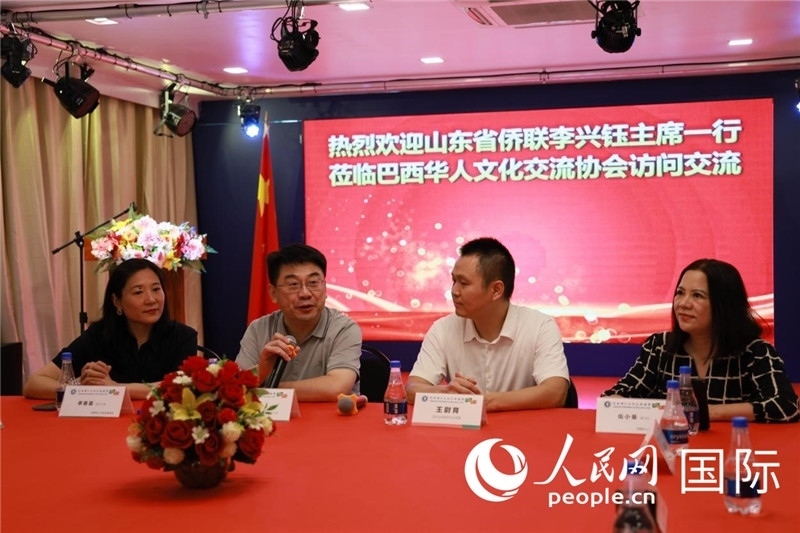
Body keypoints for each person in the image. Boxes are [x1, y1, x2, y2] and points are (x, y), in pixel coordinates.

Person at [602, 258, 799, 423]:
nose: (683, 304)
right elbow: (613, 398)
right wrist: (620, 404)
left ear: (724, 305)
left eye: (697, 295)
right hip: (674, 449)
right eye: (680, 293)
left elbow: (786, 406)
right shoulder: (659, 347)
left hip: (729, 451)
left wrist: (705, 412)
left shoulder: (756, 353)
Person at [406, 237, 570, 412]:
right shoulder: (443, 329)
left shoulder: (539, 326)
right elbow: (412, 389)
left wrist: (483, 403)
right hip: (462, 429)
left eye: (464, 283)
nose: (454, 291)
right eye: (453, 281)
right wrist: (443, 392)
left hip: (523, 429)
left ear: (496, 290)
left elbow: (556, 392)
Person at [23, 258, 198, 401]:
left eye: (156, 289)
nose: (151, 299)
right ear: (117, 301)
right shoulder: (99, 335)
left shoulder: (183, 336)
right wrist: (81, 388)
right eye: (138, 292)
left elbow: (182, 387)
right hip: (105, 428)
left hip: (158, 425)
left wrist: (114, 388)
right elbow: (34, 384)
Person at [235, 243, 361, 401]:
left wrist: (269, 389)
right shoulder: (258, 329)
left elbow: (337, 387)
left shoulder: (344, 329)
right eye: (293, 284)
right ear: (273, 293)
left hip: (328, 417)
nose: (305, 293)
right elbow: (236, 388)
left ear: (325, 288)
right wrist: (263, 369)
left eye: (313, 282)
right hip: (274, 417)